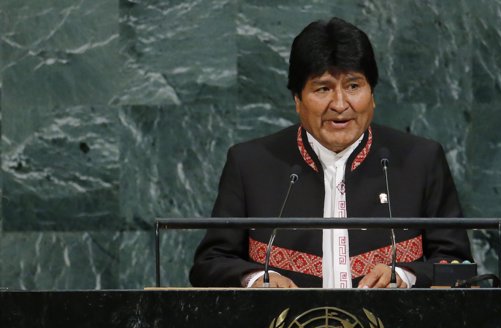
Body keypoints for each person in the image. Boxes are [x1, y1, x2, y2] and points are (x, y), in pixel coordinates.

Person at [189, 17, 472, 288]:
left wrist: (406, 275)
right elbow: (209, 264)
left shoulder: (420, 160)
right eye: (323, 88)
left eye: (353, 86)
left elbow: (459, 268)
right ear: (297, 100)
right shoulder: (250, 164)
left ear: (372, 95)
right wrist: (254, 279)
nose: (339, 104)